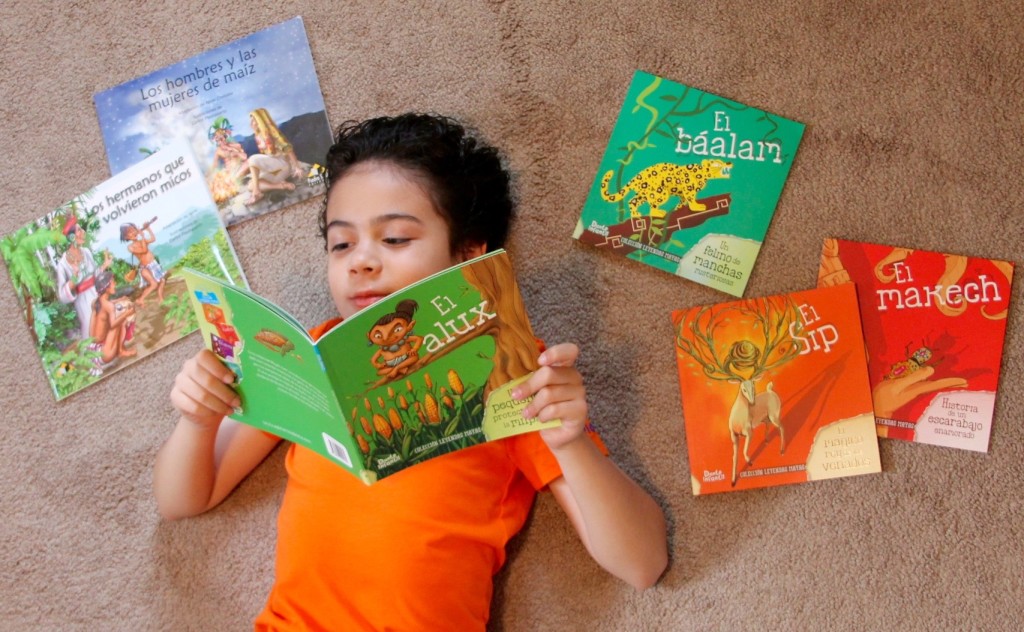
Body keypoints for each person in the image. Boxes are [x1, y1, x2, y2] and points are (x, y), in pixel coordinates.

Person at [154, 113, 668, 630]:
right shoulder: (307, 352)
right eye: (341, 244)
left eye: (395, 239)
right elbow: (183, 500)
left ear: (469, 253)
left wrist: (570, 442)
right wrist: (197, 422)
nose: (360, 262)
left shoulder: (508, 367)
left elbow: (642, 563)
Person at [55, 214, 111, 340]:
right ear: (71, 237)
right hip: (83, 301)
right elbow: (62, 296)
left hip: (97, 293)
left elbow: (94, 275)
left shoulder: (86, 252)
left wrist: (104, 265)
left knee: (105, 321)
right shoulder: (63, 264)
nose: (83, 232)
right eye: (79, 230)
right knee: (91, 327)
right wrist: (74, 279)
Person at [243, 108, 305, 206]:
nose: (251, 123)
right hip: (275, 168)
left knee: (252, 159)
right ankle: (281, 186)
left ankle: (256, 193)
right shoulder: (258, 135)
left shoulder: (272, 133)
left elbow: (288, 148)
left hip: (283, 165)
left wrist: (297, 167)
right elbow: (265, 158)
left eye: (254, 119)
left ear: (260, 120)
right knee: (251, 185)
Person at [120, 219, 165, 307]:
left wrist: (148, 229)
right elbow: (144, 251)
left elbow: (153, 239)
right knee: (154, 284)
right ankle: (140, 299)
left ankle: (160, 298)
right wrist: (142, 237)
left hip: (154, 265)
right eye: (130, 232)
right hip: (145, 268)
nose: (133, 233)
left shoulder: (141, 241)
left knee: (162, 281)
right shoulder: (131, 247)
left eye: (134, 230)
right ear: (126, 237)